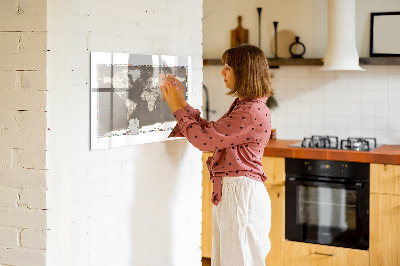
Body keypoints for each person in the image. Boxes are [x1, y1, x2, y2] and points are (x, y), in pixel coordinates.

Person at [161, 44, 273, 266]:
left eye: (228, 67)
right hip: (236, 193)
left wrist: (176, 108)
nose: (222, 72)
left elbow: (204, 141)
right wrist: (182, 104)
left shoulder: (250, 111)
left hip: (241, 195)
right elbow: (212, 133)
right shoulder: (246, 106)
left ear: (244, 72)